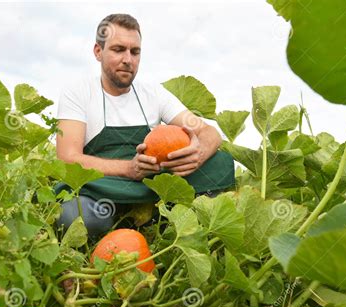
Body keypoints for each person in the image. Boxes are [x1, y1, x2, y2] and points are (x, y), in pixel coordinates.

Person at [55, 13, 234, 239]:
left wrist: (197, 154)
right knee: (79, 218)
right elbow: (67, 158)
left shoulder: (154, 93)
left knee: (219, 160)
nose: (128, 59)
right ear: (98, 52)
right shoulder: (78, 92)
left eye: (135, 51)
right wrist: (129, 169)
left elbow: (209, 132)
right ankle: (130, 221)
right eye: (118, 50)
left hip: (148, 184)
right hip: (102, 186)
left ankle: (147, 217)